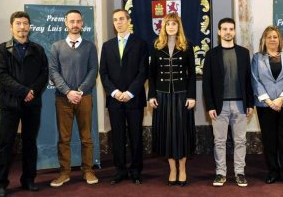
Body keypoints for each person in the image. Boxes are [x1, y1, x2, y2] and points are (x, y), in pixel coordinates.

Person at [0, 11, 48, 197]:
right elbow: (2, 77)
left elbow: (44, 74)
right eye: (18, 23)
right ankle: (1, 183)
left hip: (32, 104)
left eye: (25, 23)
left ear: (29, 27)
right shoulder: (2, 50)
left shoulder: (38, 49)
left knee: (30, 143)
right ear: (11, 26)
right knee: (4, 144)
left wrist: (32, 92)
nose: (22, 27)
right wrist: (24, 91)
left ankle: (29, 179)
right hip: (10, 104)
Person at [49, 9, 99, 187]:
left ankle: (88, 170)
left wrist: (79, 91)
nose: (75, 24)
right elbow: (53, 71)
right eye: (72, 21)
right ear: (66, 23)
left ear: (82, 24)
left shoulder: (90, 46)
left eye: (78, 21)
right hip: (62, 99)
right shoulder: (56, 46)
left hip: (84, 97)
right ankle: (64, 173)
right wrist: (68, 92)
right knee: (64, 138)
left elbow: (94, 71)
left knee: (86, 137)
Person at [202, 17, 254, 187]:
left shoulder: (243, 53)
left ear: (234, 31)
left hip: (240, 104)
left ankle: (240, 173)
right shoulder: (211, 54)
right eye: (224, 29)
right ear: (219, 32)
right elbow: (206, 83)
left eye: (231, 29)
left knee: (240, 140)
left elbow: (248, 80)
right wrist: (210, 106)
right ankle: (220, 173)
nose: (228, 32)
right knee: (219, 141)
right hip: (219, 106)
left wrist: (250, 104)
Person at [100, 9, 148, 185]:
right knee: (118, 137)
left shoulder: (141, 44)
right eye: (115, 20)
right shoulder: (107, 46)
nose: (118, 22)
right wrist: (115, 92)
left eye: (121, 19)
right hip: (114, 100)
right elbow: (103, 73)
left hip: (134, 98)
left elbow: (143, 72)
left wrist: (129, 92)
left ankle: (136, 170)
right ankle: (120, 170)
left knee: (136, 136)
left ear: (128, 21)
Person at [148, 12, 196, 186]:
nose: (171, 27)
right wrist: (151, 95)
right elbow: (151, 74)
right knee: (167, 132)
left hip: (182, 95)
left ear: (178, 27)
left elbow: (192, 74)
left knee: (181, 132)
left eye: (174, 24)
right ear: (164, 27)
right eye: (168, 24)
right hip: (162, 95)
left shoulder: (187, 46)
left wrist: (191, 95)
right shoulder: (156, 46)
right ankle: (172, 169)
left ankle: (182, 169)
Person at [251, 26, 283, 187]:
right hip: (265, 105)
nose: (272, 39)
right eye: (269, 37)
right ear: (264, 40)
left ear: (280, 40)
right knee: (269, 139)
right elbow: (255, 80)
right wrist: (268, 101)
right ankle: (273, 171)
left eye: (275, 37)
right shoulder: (257, 58)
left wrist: (281, 99)